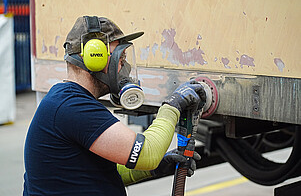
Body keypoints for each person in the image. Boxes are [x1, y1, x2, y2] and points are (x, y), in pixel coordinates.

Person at [23, 16, 206, 196]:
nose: (124, 67)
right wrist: (172, 106)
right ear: (96, 57)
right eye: (121, 57)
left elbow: (99, 173)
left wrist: (158, 166)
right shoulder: (71, 106)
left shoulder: (67, 101)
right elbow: (147, 153)